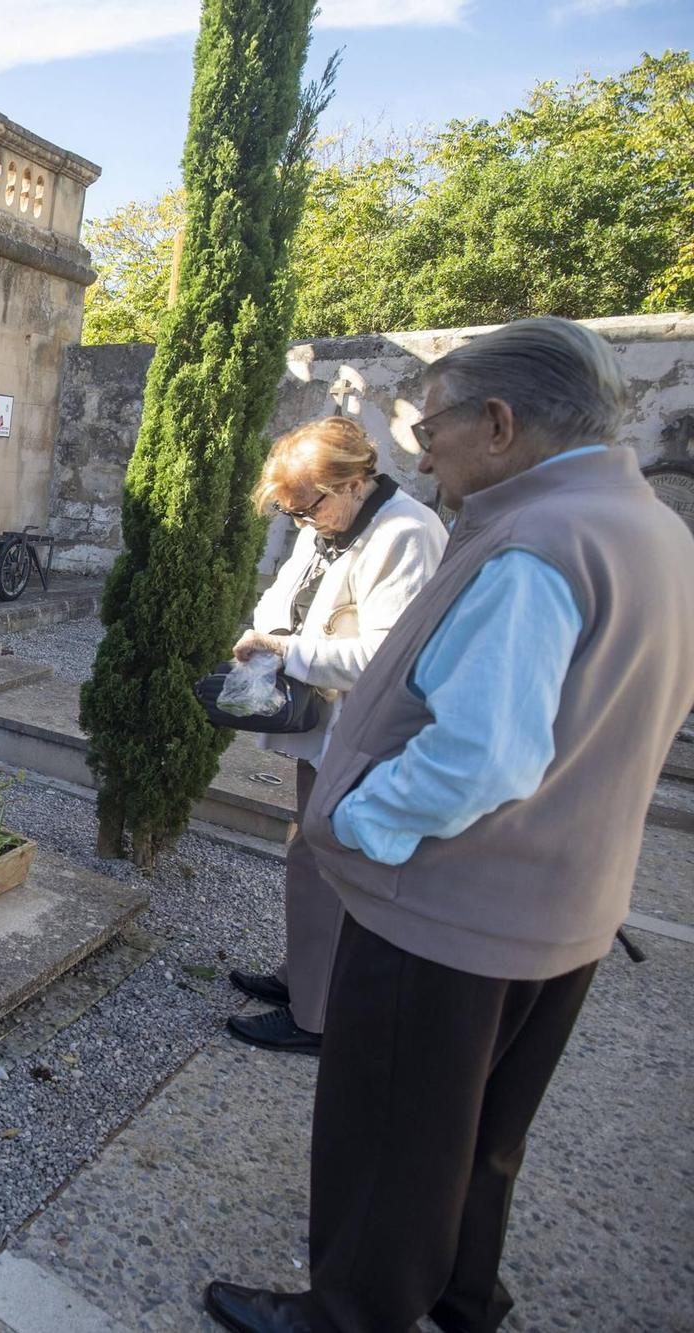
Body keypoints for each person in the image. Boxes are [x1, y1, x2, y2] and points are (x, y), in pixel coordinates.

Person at [205, 316, 694, 1333]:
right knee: (477, 1134)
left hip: (450, 907)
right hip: (560, 904)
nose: (420, 447)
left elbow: (481, 755)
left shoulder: (532, 544)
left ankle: (347, 1314)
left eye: (433, 425)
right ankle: (459, 1293)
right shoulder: (646, 528)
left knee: (390, 1135)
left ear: (500, 423)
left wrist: (352, 822)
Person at [224, 417, 447, 1054]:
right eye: (291, 514)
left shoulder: (405, 532)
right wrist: (264, 634)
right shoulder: (333, 522)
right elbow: (284, 594)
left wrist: (284, 650)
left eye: (307, 508)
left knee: (329, 865)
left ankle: (317, 1016)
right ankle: (304, 979)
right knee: (310, 854)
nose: (302, 523)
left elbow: (387, 658)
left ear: (352, 482)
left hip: (368, 735)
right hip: (328, 731)